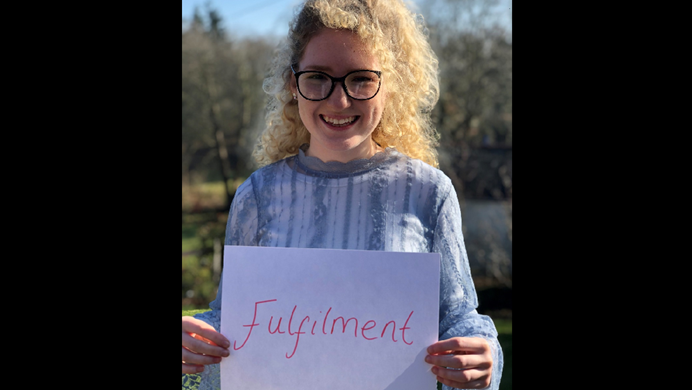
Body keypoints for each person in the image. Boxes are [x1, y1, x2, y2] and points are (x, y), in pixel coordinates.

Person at [182, 1, 504, 389]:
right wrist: (196, 338)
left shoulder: (428, 193)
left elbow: (459, 316)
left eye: (361, 78)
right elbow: (232, 318)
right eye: (318, 77)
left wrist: (484, 354)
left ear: (391, 84)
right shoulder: (259, 194)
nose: (339, 100)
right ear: (292, 83)